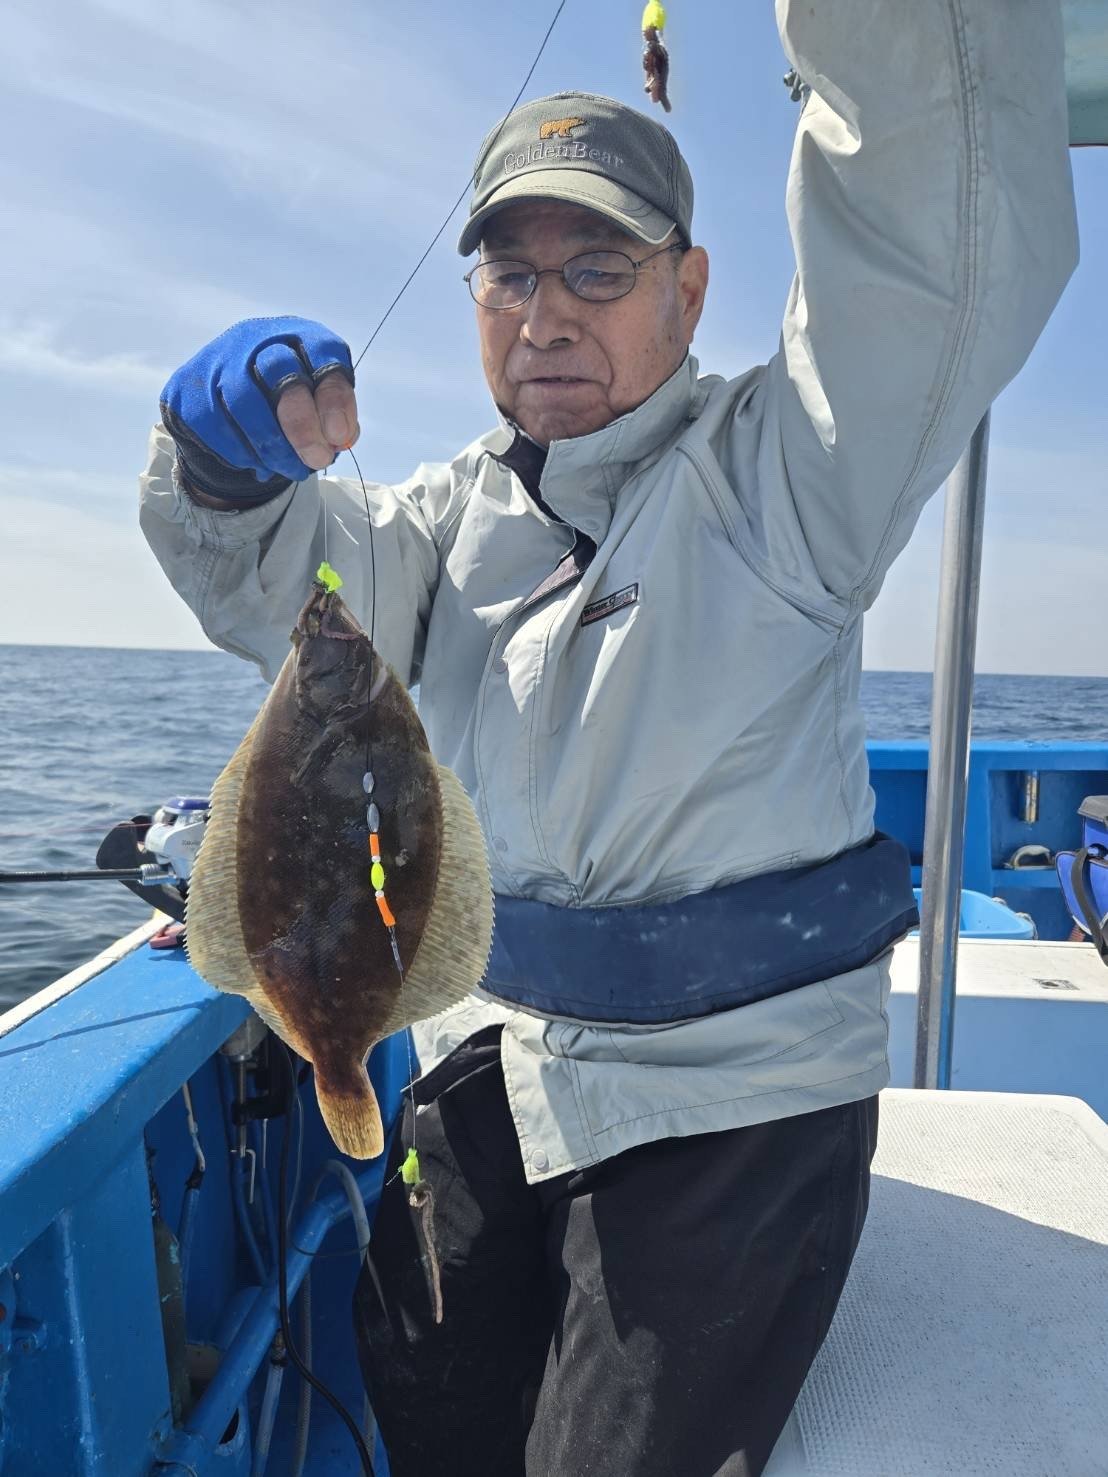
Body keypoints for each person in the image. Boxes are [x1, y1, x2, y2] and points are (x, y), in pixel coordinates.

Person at [141, 4, 1077, 1473]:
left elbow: (929, 243)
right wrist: (216, 472)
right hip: (499, 1056)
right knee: (420, 1391)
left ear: (688, 294)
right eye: (510, 272)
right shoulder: (435, 523)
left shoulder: (791, 473)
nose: (546, 314)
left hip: (739, 1093)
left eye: (599, 266)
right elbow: (274, 580)